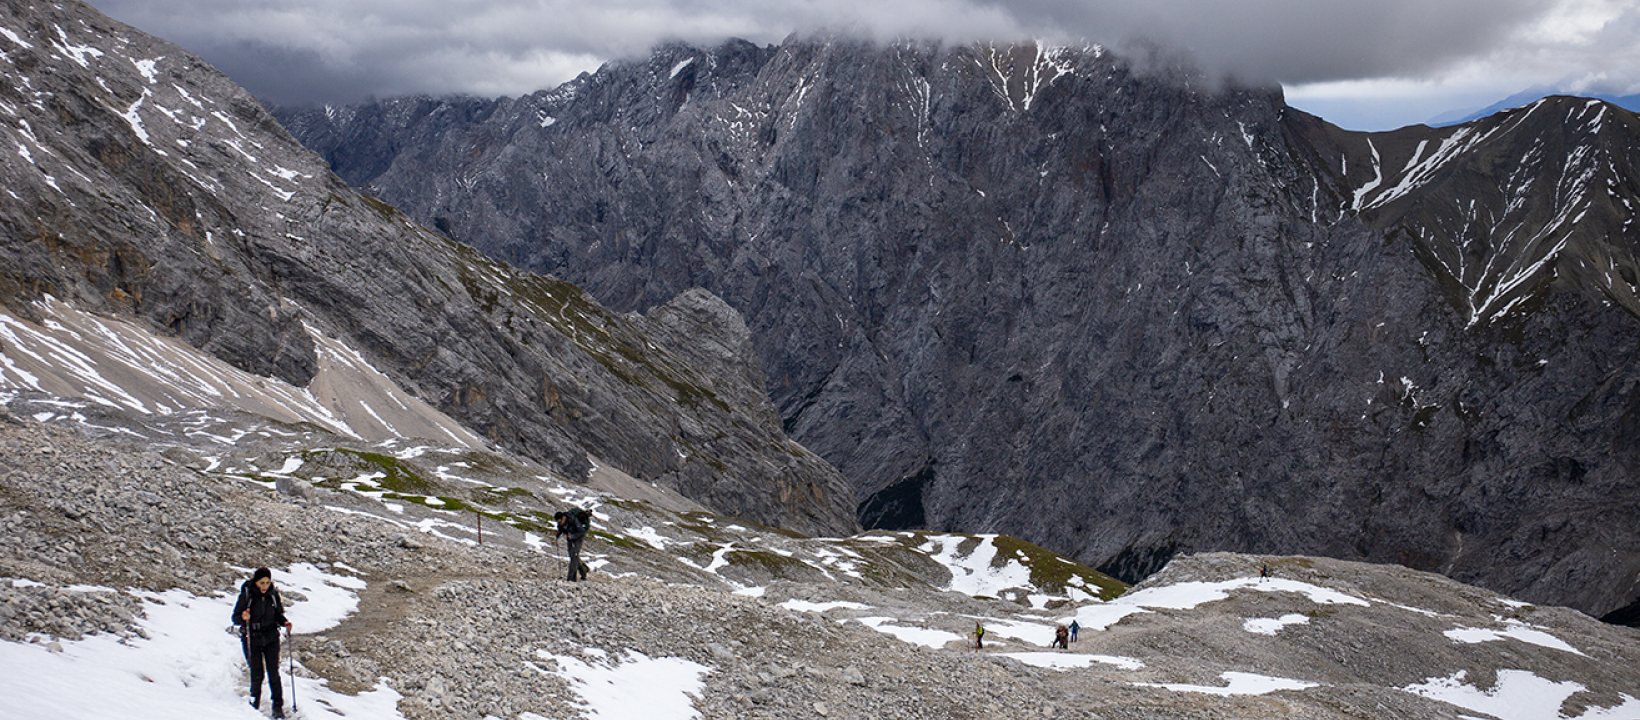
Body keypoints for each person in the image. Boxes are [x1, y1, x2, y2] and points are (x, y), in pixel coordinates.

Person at [232, 567, 292, 718]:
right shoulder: (247, 594)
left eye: (267, 582)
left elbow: (278, 614)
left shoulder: (273, 594)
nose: (265, 586)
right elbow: (235, 618)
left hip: (271, 637)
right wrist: (243, 617)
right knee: (257, 673)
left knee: (274, 673)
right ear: (256, 582)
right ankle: (254, 703)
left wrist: (285, 622)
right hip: (252, 638)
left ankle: (277, 706)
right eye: (262, 583)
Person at [554, 511, 589, 581]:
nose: (560, 523)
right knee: (573, 556)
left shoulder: (573, 520)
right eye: (558, 522)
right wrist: (558, 535)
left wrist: (573, 536)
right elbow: (561, 529)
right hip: (570, 538)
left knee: (574, 556)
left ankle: (571, 579)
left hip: (578, 538)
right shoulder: (560, 523)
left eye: (560, 521)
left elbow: (582, 532)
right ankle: (584, 570)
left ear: (563, 518)